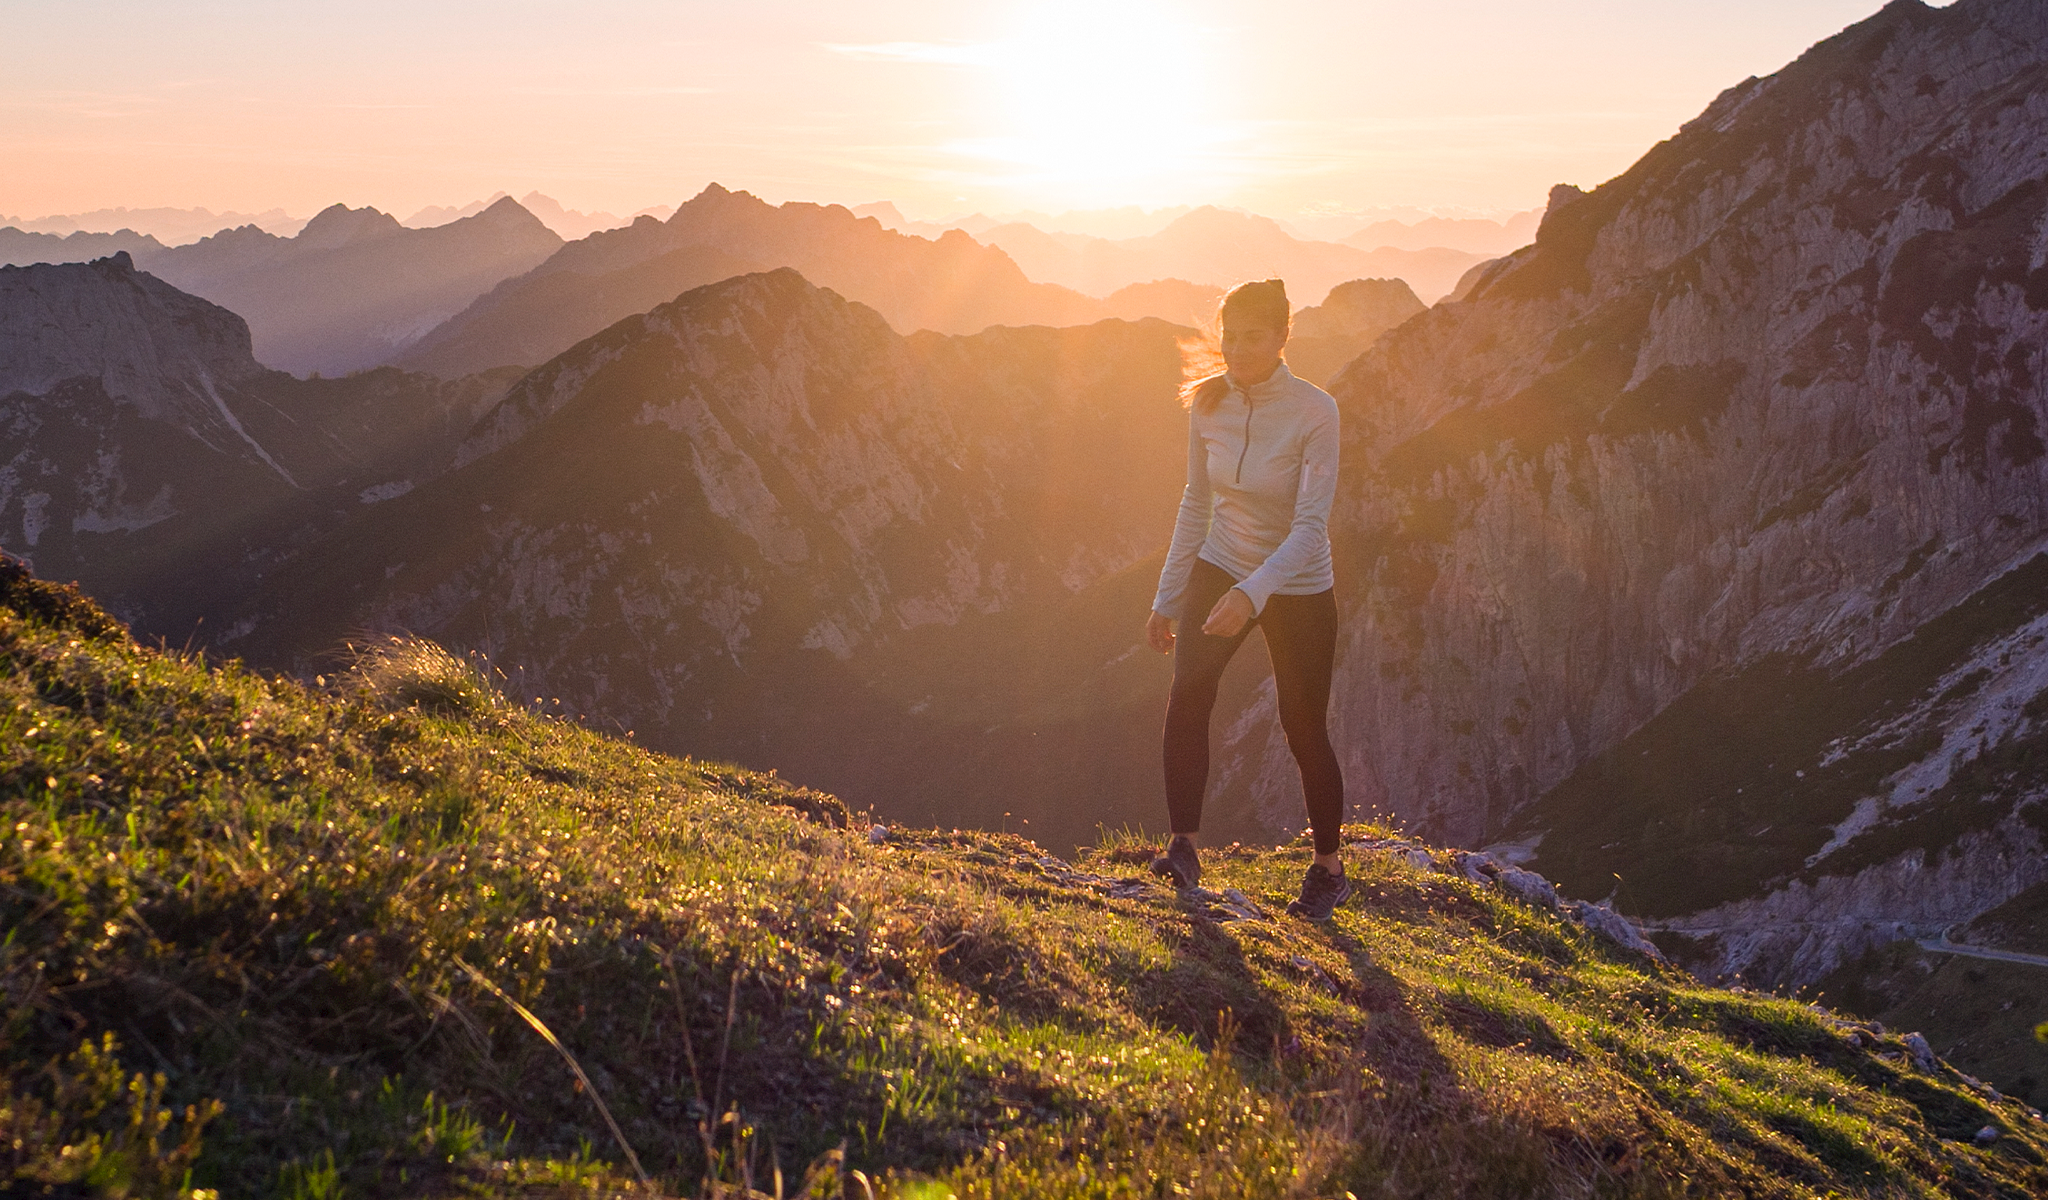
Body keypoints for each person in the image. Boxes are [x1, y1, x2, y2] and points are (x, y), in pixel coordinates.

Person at [1144, 279, 1350, 920]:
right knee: (1188, 699)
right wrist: (1168, 596)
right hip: (1222, 561)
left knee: (1303, 726)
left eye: (1252, 336)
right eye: (1228, 335)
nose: (1236, 348)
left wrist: (1251, 594)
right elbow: (1195, 502)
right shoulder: (1208, 405)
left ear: (1282, 337)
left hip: (1296, 582)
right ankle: (1183, 847)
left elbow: (1310, 527)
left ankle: (1328, 867)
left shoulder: (1317, 411)